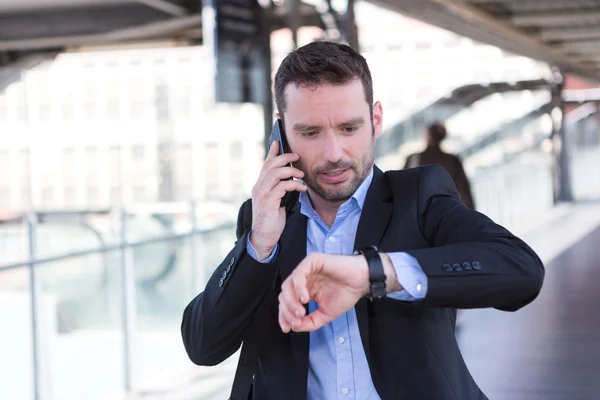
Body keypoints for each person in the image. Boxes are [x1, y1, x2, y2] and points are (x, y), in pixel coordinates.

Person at [181, 41, 544, 400]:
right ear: (281, 131)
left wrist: (375, 272)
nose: (333, 154)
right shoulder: (264, 219)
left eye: (349, 128)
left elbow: (522, 270)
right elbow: (203, 346)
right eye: (310, 132)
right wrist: (260, 244)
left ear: (376, 120)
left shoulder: (419, 197)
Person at [404, 122, 475, 209]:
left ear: (427, 135)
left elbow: (403, 188)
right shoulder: (452, 161)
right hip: (447, 212)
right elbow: (464, 190)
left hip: (419, 213)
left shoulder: (413, 159)